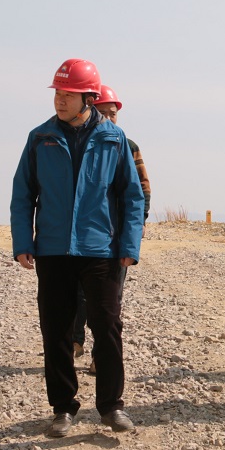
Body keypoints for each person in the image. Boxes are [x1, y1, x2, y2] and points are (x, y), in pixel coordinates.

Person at [11, 58, 145, 438]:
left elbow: (133, 197)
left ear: (88, 98)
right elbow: (22, 194)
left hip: (100, 250)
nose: (60, 100)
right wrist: (23, 242)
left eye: (68, 94)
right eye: (57, 92)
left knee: (108, 327)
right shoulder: (40, 138)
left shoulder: (114, 139)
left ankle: (111, 406)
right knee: (56, 331)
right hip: (52, 251)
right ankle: (62, 409)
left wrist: (129, 244)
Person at [74, 84, 153, 374]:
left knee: (109, 300)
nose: (108, 118)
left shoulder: (127, 147)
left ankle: (100, 356)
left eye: (113, 113)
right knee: (77, 294)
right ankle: (75, 342)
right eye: (103, 112)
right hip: (85, 236)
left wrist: (139, 222)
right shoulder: (80, 144)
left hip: (116, 236)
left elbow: (142, 189)